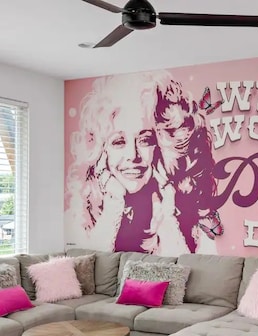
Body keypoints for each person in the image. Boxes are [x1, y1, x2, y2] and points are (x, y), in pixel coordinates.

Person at [65, 71, 218, 255]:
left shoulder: (196, 226)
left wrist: (166, 216)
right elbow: (89, 263)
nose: (133, 155)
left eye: (145, 140)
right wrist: (114, 204)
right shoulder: (77, 215)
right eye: (118, 142)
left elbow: (182, 270)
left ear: (162, 147)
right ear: (100, 151)